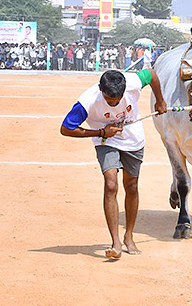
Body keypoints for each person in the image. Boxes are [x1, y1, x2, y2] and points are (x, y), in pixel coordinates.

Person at [59, 69, 166, 259]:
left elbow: (151, 74)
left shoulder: (133, 81)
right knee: (111, 185)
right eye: (110, 101)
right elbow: (66, 129)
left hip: (133, 140)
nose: (114, 104)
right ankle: (115, 241)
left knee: (131, 186)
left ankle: (129, 236)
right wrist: (101, 133)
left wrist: (159, 100)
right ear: (101, 90)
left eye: (118, 100)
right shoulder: (88, 101)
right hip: (106, 141)